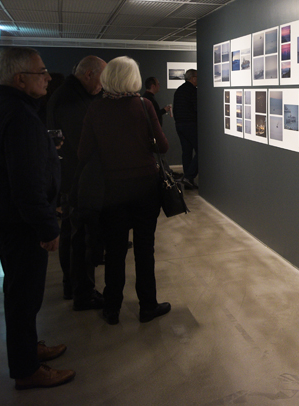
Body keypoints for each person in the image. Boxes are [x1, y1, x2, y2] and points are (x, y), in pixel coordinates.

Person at [0, 47, 74, 389]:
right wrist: (47, 226)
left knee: (21, 292)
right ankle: (26, 368)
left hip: (4, 217)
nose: (48, 77)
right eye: (41, 72)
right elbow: (26, 182)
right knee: (23, 296)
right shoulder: (19, 116)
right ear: (21, 79)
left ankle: (29, 349)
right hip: (20, 223)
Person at [78, 56, 171, 325]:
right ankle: (147, 306)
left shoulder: (96, 109)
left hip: (112, 189)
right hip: (145, 187)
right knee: (145, 248)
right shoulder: (143, 106)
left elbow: (84, 152)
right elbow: (162, 147)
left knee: (115, 251)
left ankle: (112, 308)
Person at [46, 56, 106, 308]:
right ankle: (82, 292)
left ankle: (73, 286)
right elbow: (84, 142)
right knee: (80, 236)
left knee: (73, 234)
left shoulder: (70, 94)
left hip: (73, 176)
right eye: (102, 79)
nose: (103, 86)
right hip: (77, 179)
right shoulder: (70, 99)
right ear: (89, 74)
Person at [173, 69, 198, 190]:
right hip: (190, 125)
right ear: (193, 78)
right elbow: (197, 108)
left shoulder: (179, 90)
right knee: (202, 151)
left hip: (179, 125)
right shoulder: (193, 91)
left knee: (186, 153)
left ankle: (189, 183)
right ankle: (188, 177)